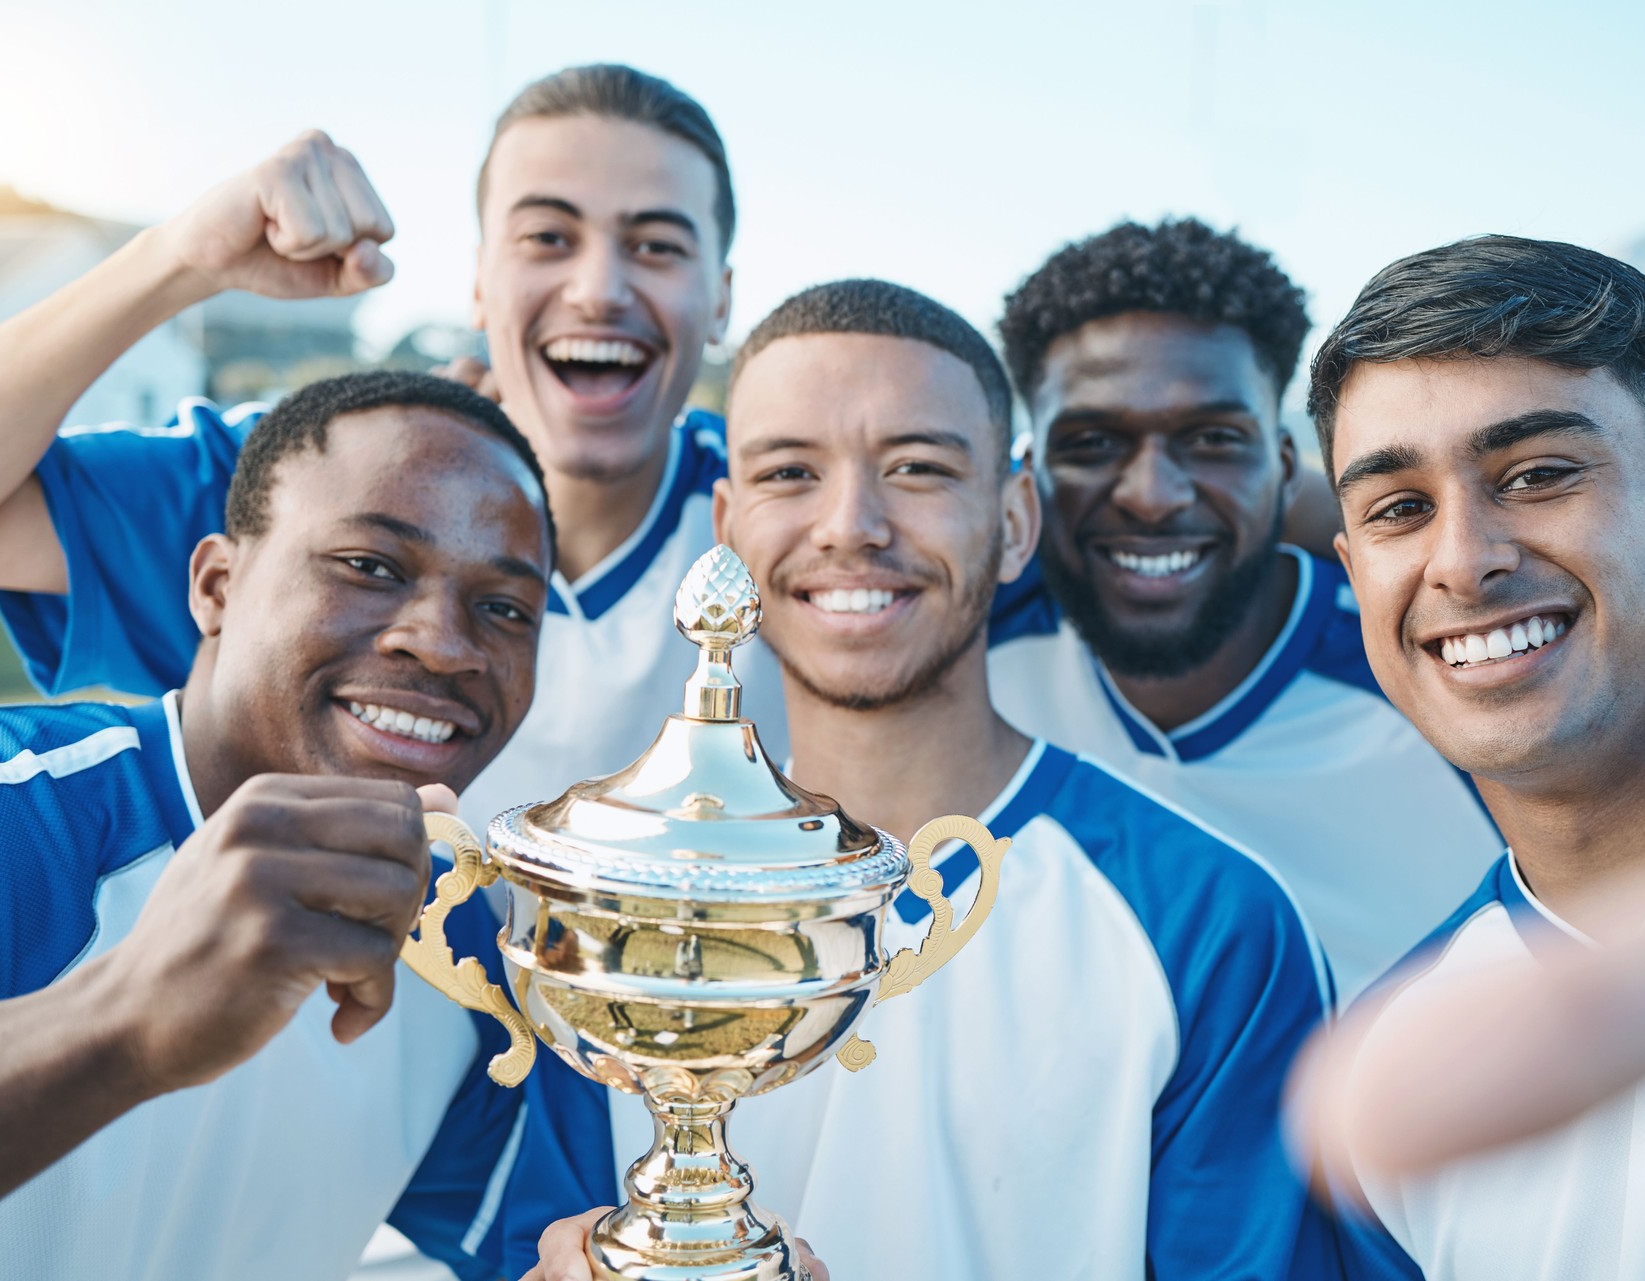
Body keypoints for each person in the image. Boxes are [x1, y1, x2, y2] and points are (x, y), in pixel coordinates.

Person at [528, 279, 1340, 1280]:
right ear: (727, 530)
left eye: (917, 467)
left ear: (1014, 521)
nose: (850, 525)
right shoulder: (603, 902)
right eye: (791, 472)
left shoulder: (1209, 922)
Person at [1297, 0, 1645, 1189]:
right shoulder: (1415, 1047)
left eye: (1541, 474)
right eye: (1398, 507)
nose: (1465, 560)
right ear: (1351, 580)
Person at [0, 63, 782, 836]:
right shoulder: (309, 486)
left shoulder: (790, 527)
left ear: (721, 301)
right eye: (548, 239)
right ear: (480, 282)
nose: (599, 289)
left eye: (658, 246)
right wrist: (176, 261)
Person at [0, 371, 619, 1279]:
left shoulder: (464, 945)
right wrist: (125, 1018)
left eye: (504, 608)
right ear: (217, 584)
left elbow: (545, 1247)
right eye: (371, 566)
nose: (443, 643)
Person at [989, 219, 1500, 997]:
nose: (1153, 496)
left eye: (1213, 439)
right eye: (1092, 443)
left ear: (1286, 467)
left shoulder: (1445, 673)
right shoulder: (960, 644)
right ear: (1027, 476)